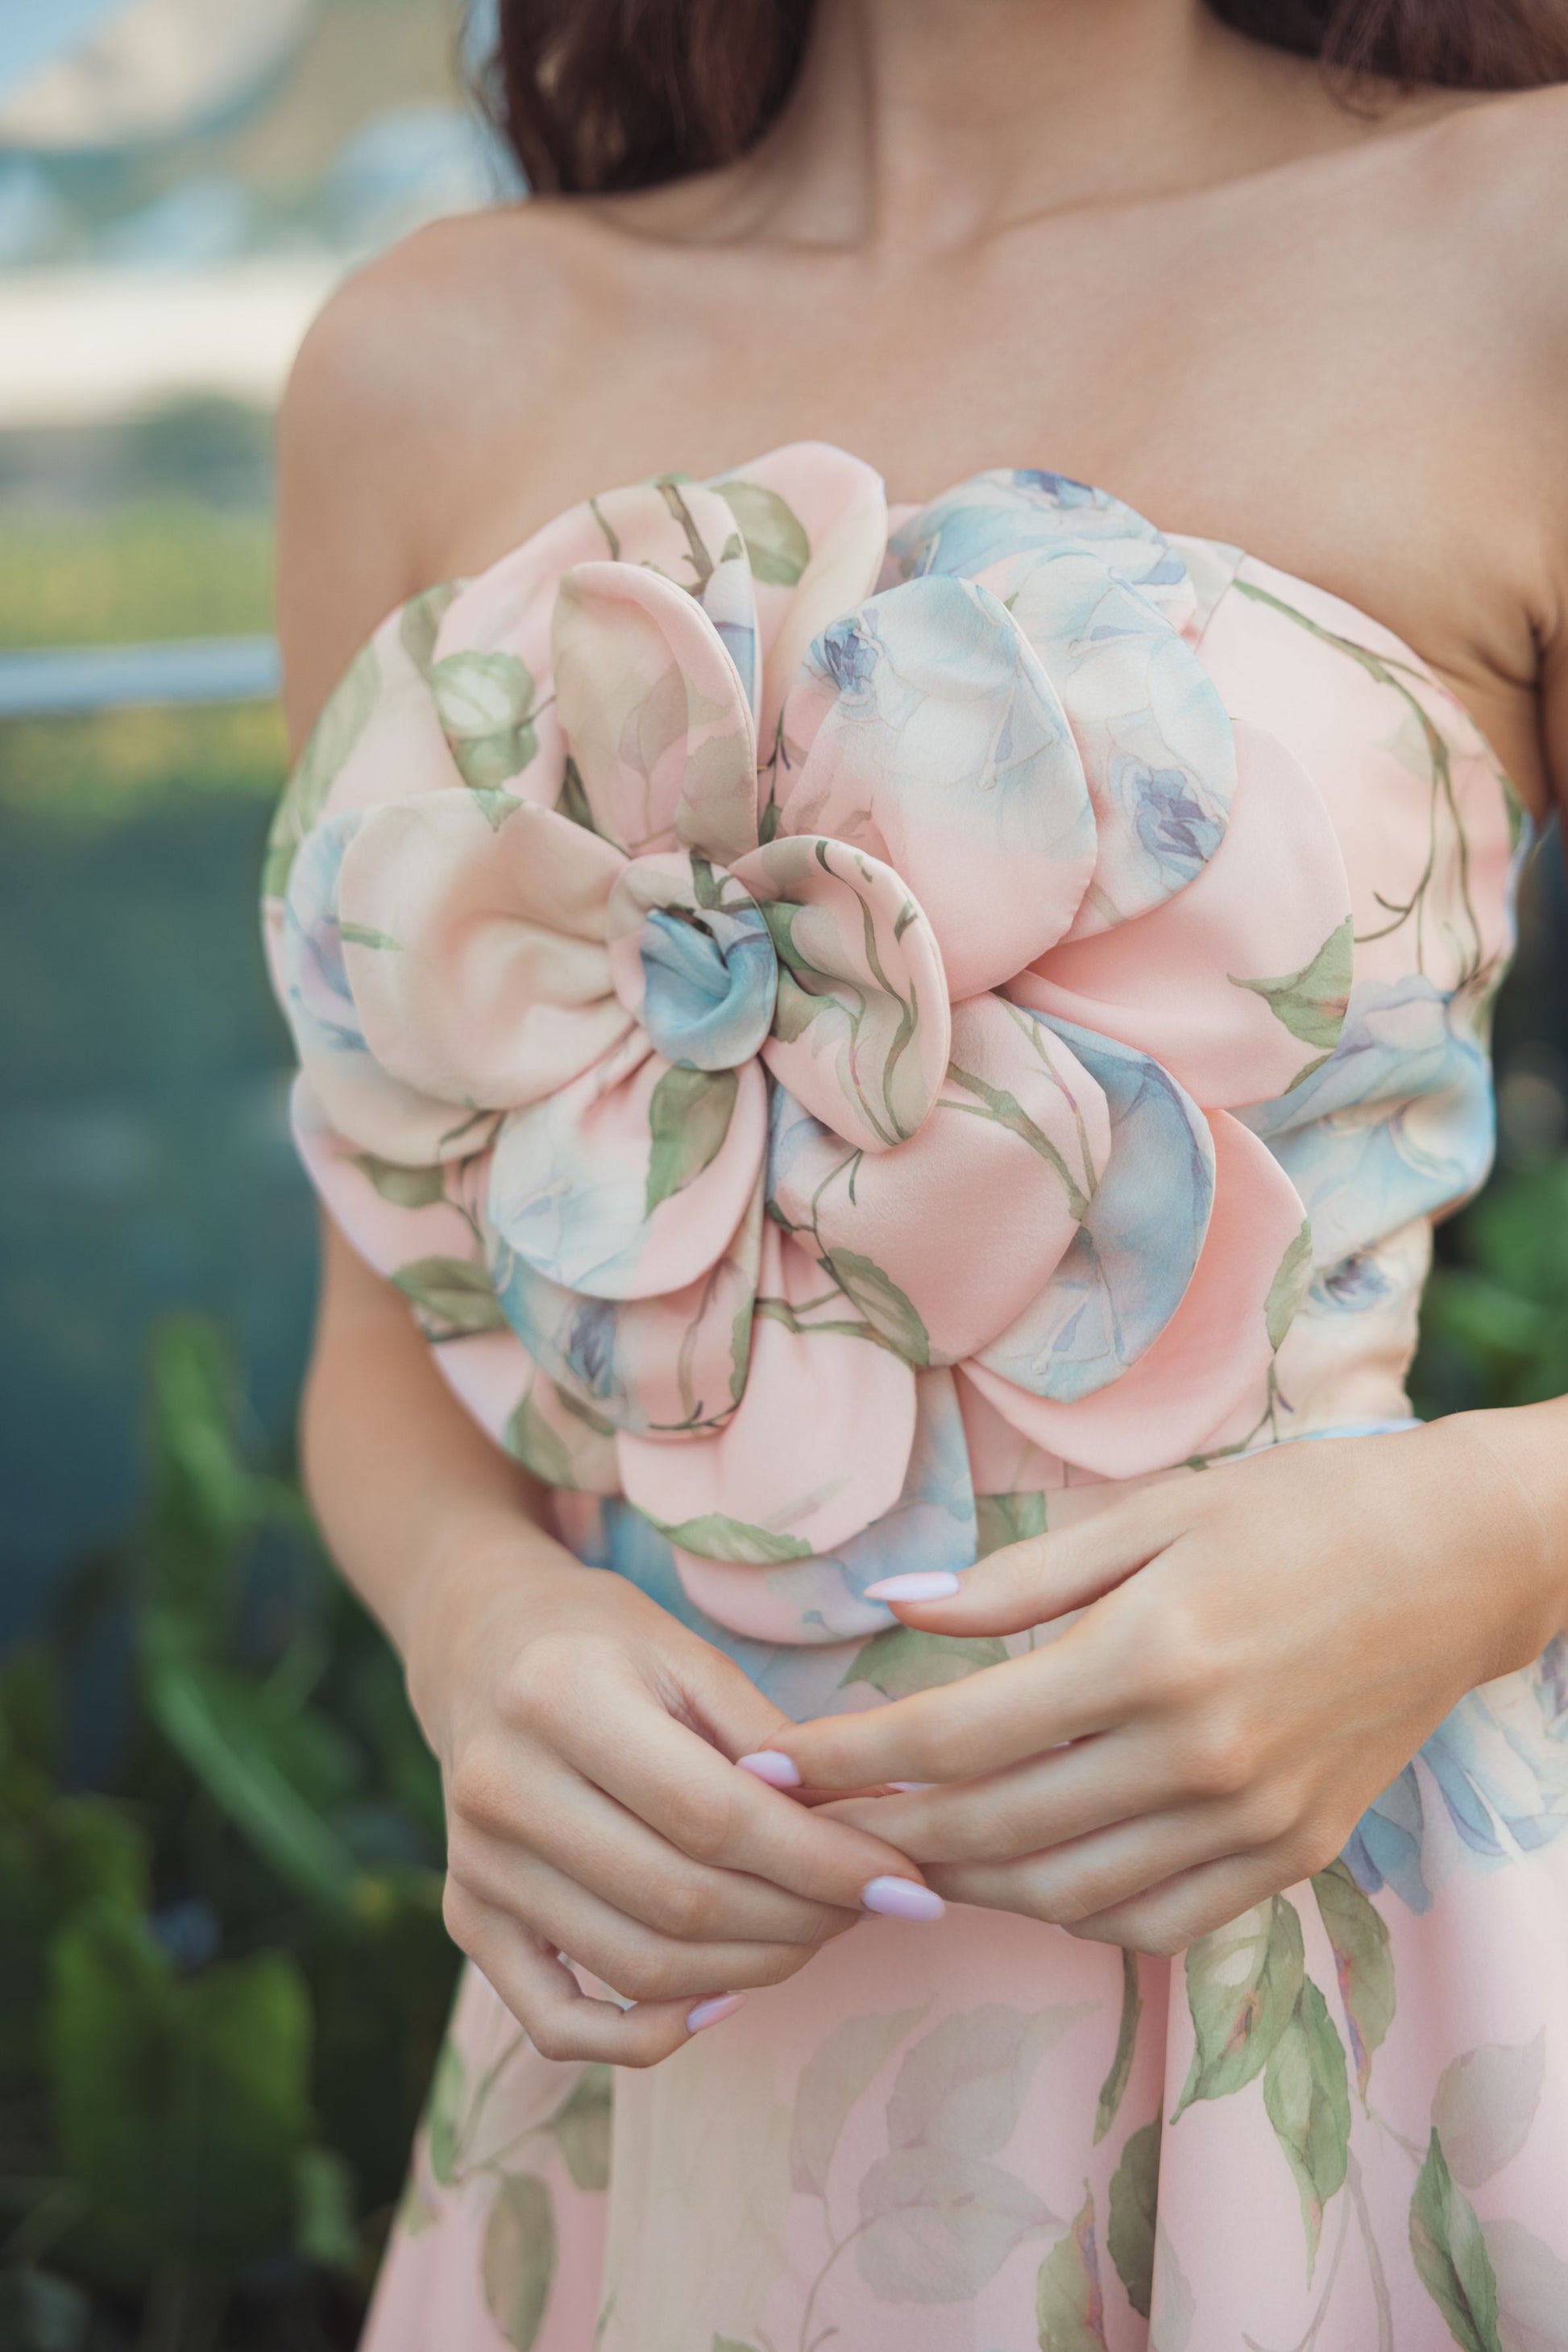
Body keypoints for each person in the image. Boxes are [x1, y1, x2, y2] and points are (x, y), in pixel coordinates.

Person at [267, 2, 1568, 2342]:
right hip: (667, 2050)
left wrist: (1477, 1540)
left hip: (1345, 2010)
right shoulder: (425, 366)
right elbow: (384, 1313)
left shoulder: (1521, 245)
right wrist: (488, 1636)